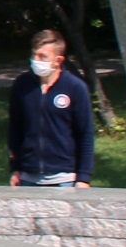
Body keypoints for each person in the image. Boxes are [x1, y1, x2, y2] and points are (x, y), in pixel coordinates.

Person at [7, 29, 94, 189]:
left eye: (43, 56)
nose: (36, 60)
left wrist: (84, 177)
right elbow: (15, 130)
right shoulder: (22, 85)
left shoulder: (75, 87)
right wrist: (15, 168)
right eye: (34, 55)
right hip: (28, 178)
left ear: (58, 60)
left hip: (64, 179)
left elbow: (85, 134)